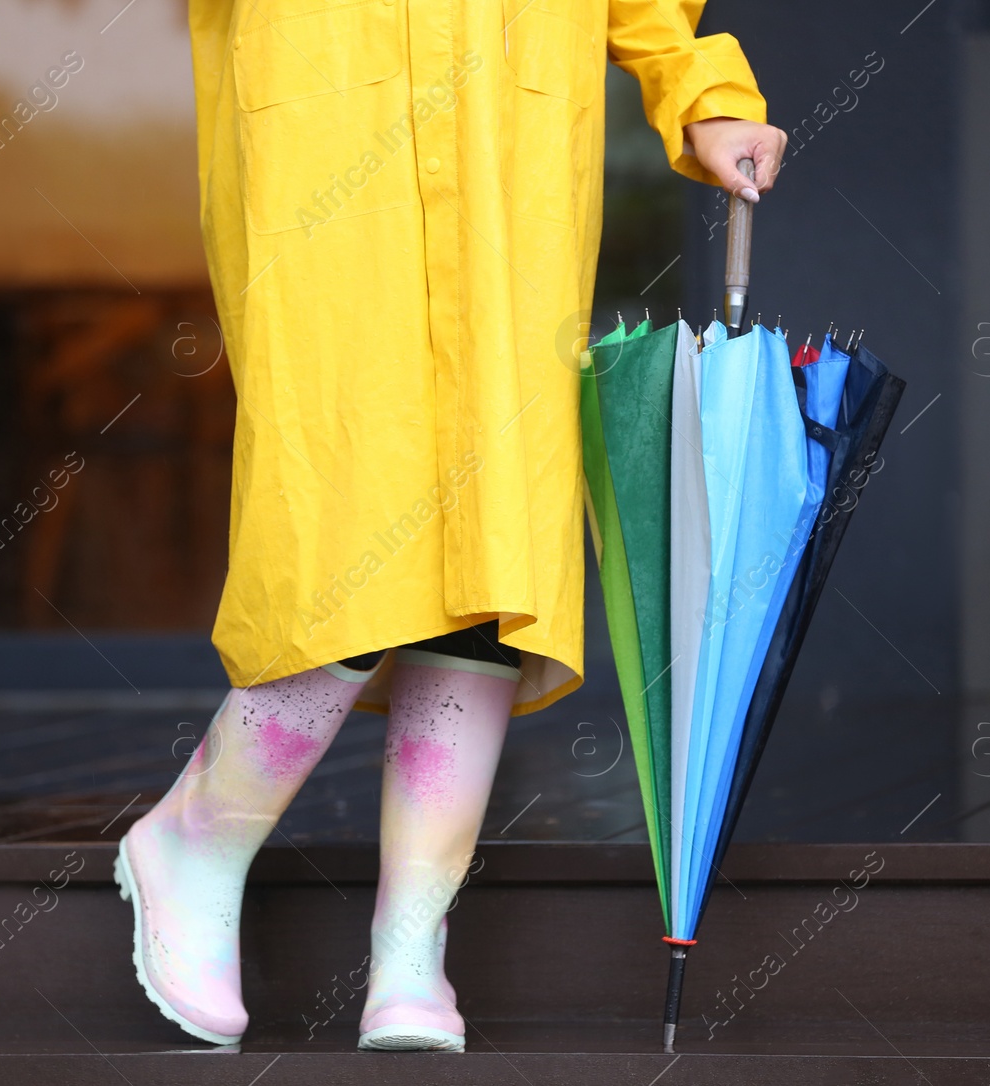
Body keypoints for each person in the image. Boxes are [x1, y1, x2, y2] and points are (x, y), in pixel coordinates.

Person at [115, 0, 787, 1052]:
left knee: (495, 538)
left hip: (506, 148)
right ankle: (202, 833)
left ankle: (411, 942)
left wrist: (697, 88)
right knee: (340, 511)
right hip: (327, 138)